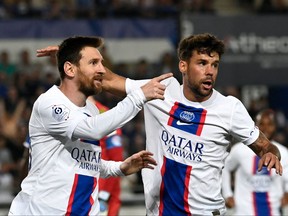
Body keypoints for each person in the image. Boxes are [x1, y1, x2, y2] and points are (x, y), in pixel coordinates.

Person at [36, 33, 282, 216]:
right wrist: (74, 62)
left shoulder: (230, 108)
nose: (210, 71)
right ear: (183, 66)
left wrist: (271, 154)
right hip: (159, 212)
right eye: (202, 63)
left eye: (215, 64)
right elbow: (109, 80)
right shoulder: (160, 91)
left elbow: (266, 146)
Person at [8, 36, 173, 216]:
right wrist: (138, 96)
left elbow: (86, 161)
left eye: (101, 63)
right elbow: (92, 129)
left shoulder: (92, 110)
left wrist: (119, 168)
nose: (102, 70)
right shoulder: (50, 103)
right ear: (70, 69)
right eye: (94, 63)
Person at [222, 108, 288, 215]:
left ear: (275, 127)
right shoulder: (240, 150)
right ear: (255, 126)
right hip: (244, 211)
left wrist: (287, 193)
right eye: (261, 124)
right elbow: (225, 167)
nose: (265, 128)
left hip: (273, 211)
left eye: (270, 124)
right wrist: (227, 194)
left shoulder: (283, 153)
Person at [92, 98, 124, 216]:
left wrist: (104, 195)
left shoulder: (105, 115)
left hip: (103, 194)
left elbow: (117, 161)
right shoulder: (62, 112)